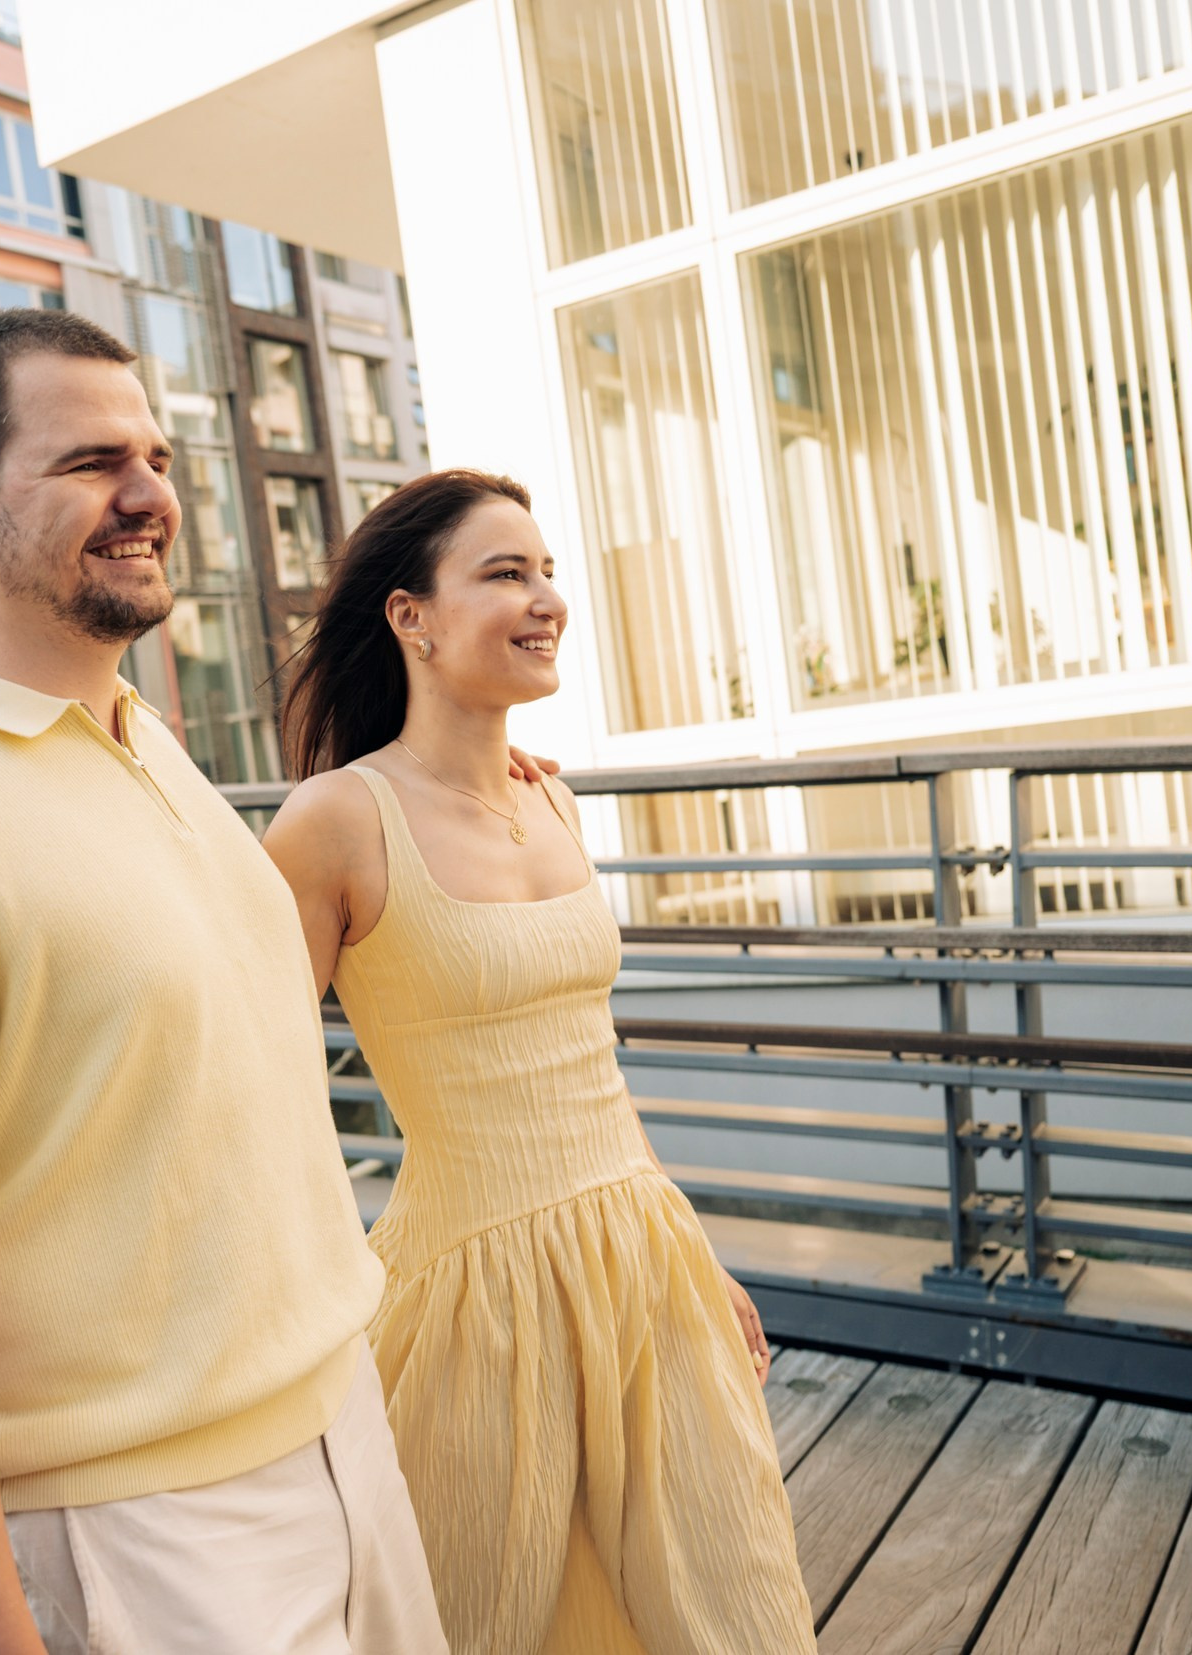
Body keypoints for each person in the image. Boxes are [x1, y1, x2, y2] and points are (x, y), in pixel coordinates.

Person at [0, 310, 453, 1654]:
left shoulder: (138, 733)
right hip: (145, 1521)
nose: (148, 495)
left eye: (155, 456)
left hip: (338, 1426)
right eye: (89, 462)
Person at [263, 471, 819, 1655]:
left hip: (642, 1262)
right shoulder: (334, 820)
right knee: (491, 1615)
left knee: (738, 1604)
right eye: (505, 572)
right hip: (472, 1293)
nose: (547, 598)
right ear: (411, 616)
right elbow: (257, 1084)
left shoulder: (553, 798)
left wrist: (689, 1244)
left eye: (548, 571)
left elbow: (586, 1064)